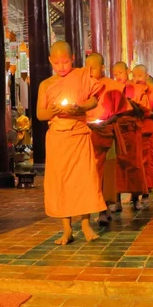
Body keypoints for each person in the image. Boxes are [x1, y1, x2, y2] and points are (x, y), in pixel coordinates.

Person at [37, 41, 106, 245]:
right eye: (57, 62)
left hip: (79, 134)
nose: (61, 66)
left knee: (83, 180)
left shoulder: (83, 75)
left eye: (65, 61)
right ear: (50, 61)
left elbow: (94, 99)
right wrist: (54, 112)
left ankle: (85, 223)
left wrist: (80, 108)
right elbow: (41, 114)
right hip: (58, 137)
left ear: (73, 58)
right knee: (61, 183)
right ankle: (66, 228)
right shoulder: (46, 84)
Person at [85, 53, 129, 225]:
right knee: (91, 173)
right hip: (87, 133)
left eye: (94, 68)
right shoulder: (84, 86)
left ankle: (105, 207)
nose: (90, 71)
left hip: (107, 132)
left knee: (107, 172)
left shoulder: (113, 86)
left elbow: (119, 112)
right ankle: (92, 208)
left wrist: (105, 123)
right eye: (87, 68)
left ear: (103, 67)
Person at [112, 62, 149, 211]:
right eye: (115, 74)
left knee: (135, 165)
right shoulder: (112, 89)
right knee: (117, 166)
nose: (118, 77)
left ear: (127, 71)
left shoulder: (138, 89)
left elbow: (144, 113)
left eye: (120, 73)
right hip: (118, 129)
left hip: (132, 130)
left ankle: (136, 199)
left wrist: (131, 104)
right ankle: (117, 201)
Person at [132, 65, 153, 199]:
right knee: (134, 163)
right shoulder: (129, 90)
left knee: (148, 162)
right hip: (132, 130)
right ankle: (135, 192)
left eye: (140, 76)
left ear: (147, 76)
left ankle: (146, 191)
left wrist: (148, 113)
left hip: (148, 129)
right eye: (134, 76)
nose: (137, 79)